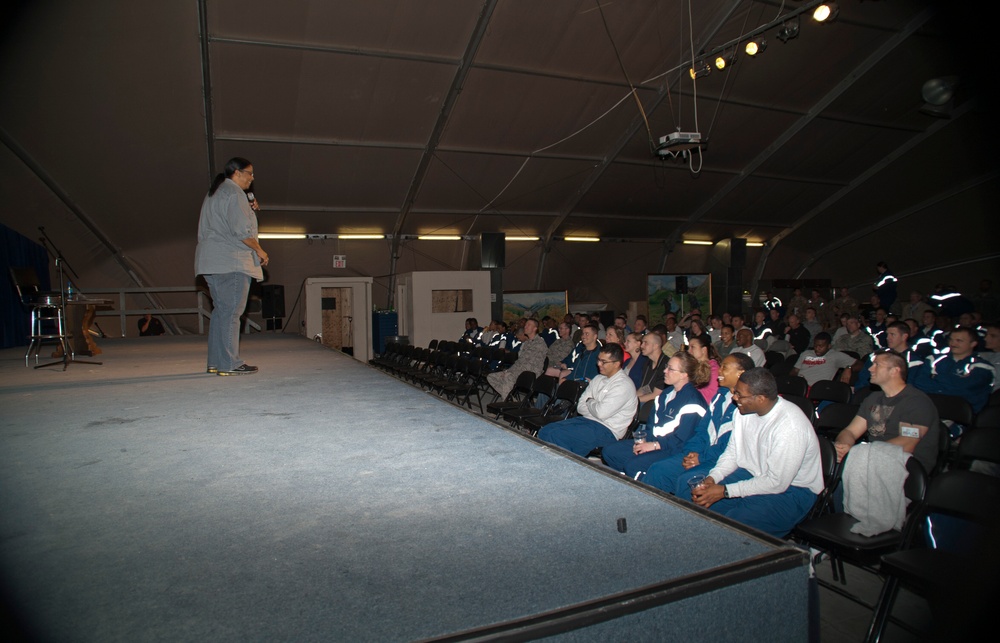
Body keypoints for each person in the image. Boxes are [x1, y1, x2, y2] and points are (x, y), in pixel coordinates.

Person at [687, 368, 825, 538]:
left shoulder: (790, 426)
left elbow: (777, 482)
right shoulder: (742, 412)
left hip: (793, 490)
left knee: (733, 525)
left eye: (739, 395)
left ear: (760, 398)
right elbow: (733, 453)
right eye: (735, 392)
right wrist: (713, 478)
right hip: (756, 474)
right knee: (700, 505)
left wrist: (724, 491)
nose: (734, 398)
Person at [642, 353, 755, 495]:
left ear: (740, 373)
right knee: (658, 470)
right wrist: (691, 453)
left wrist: (700, 458)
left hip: (719, 460)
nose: (719, 372)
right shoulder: (720, 396)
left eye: (724, 368)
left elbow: (730, 446)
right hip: (702, 453)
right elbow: (702, 430)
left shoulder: (745, 406)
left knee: (686, 481)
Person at [195, 157, 267, 376]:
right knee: (232, 313)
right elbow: (241, 232)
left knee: (221, 313)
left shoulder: (215, 192)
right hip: (231, 262)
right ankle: (230, 363)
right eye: (249, 173)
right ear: (237, 173)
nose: (252, 178)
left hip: (211, 261)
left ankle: (216, 362)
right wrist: (260, 250)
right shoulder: (235, 194)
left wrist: (250, 210)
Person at [601, 352, 710, 478]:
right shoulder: (665, 394)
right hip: (656, 442)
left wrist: (654, 446)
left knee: (634, 465)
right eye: (666, 366)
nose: (665, 371)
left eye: (670, 369)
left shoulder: (693, 401)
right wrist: (644, 440)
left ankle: (641, 481)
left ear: (683, 375)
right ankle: (630, 477)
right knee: (610, 451)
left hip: (674, 450)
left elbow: (681, 440)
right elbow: (651, 425)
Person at [834, 352, 940, 472]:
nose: (870, 368)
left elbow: (907, 443)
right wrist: (843, 446)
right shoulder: (873, 398)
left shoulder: (916, 402)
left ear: (894, 371)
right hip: (872, 459)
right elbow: (850, 431)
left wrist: (861, 452)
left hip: (906, 466)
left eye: (877, 365)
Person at [537, 343, 637, 456]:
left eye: (604, 362)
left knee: (558, 436)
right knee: (545, 431)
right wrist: (595, 407)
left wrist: (590, 401)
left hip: (607, 430)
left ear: (617, 364)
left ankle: (569, 463)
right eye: (598, 359)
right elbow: (580, 407)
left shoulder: (623, 385)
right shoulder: (598, 379)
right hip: (586, 421)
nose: (599, 364)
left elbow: (601, 413)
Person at [912, 326, 996, 414]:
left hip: (961, 414)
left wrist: (935, 377)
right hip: (928, 409)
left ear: (973, 344)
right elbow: (919, 382)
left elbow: (964, 388)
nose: (953, 343)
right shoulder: (933, 359)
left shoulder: (983, 367)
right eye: (951, 340)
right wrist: (953, 381)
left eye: (959, 341)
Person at [487, 318, 547, 400]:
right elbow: (519, 361)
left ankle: (506, 402)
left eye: (529, 325)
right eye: (526, 324)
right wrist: (509, 371)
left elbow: (530, 365)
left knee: (508, 378)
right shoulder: (527, 343)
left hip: (530, 374)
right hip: (519, 370)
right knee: (491, 377)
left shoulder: (539, 343)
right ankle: (510, 399)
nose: (525, 326)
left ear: (535, 329)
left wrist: (512, 373)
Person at [790, 332, 855, 387]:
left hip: (818, 388)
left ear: (829, 346)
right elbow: (795, 370)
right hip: (800, 385)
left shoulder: (835, 355)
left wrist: (848, 367)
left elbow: (859, 364)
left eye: (821, 346)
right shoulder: (806, 353)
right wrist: (796, 379)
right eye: (815, 345)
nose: (817, 348)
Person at [686, 334, 720, 403]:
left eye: (692, 347)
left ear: (703, 350)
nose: (689, 351)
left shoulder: (713, 369)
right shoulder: (693, 367)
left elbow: (710, 395)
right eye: (688, 347)